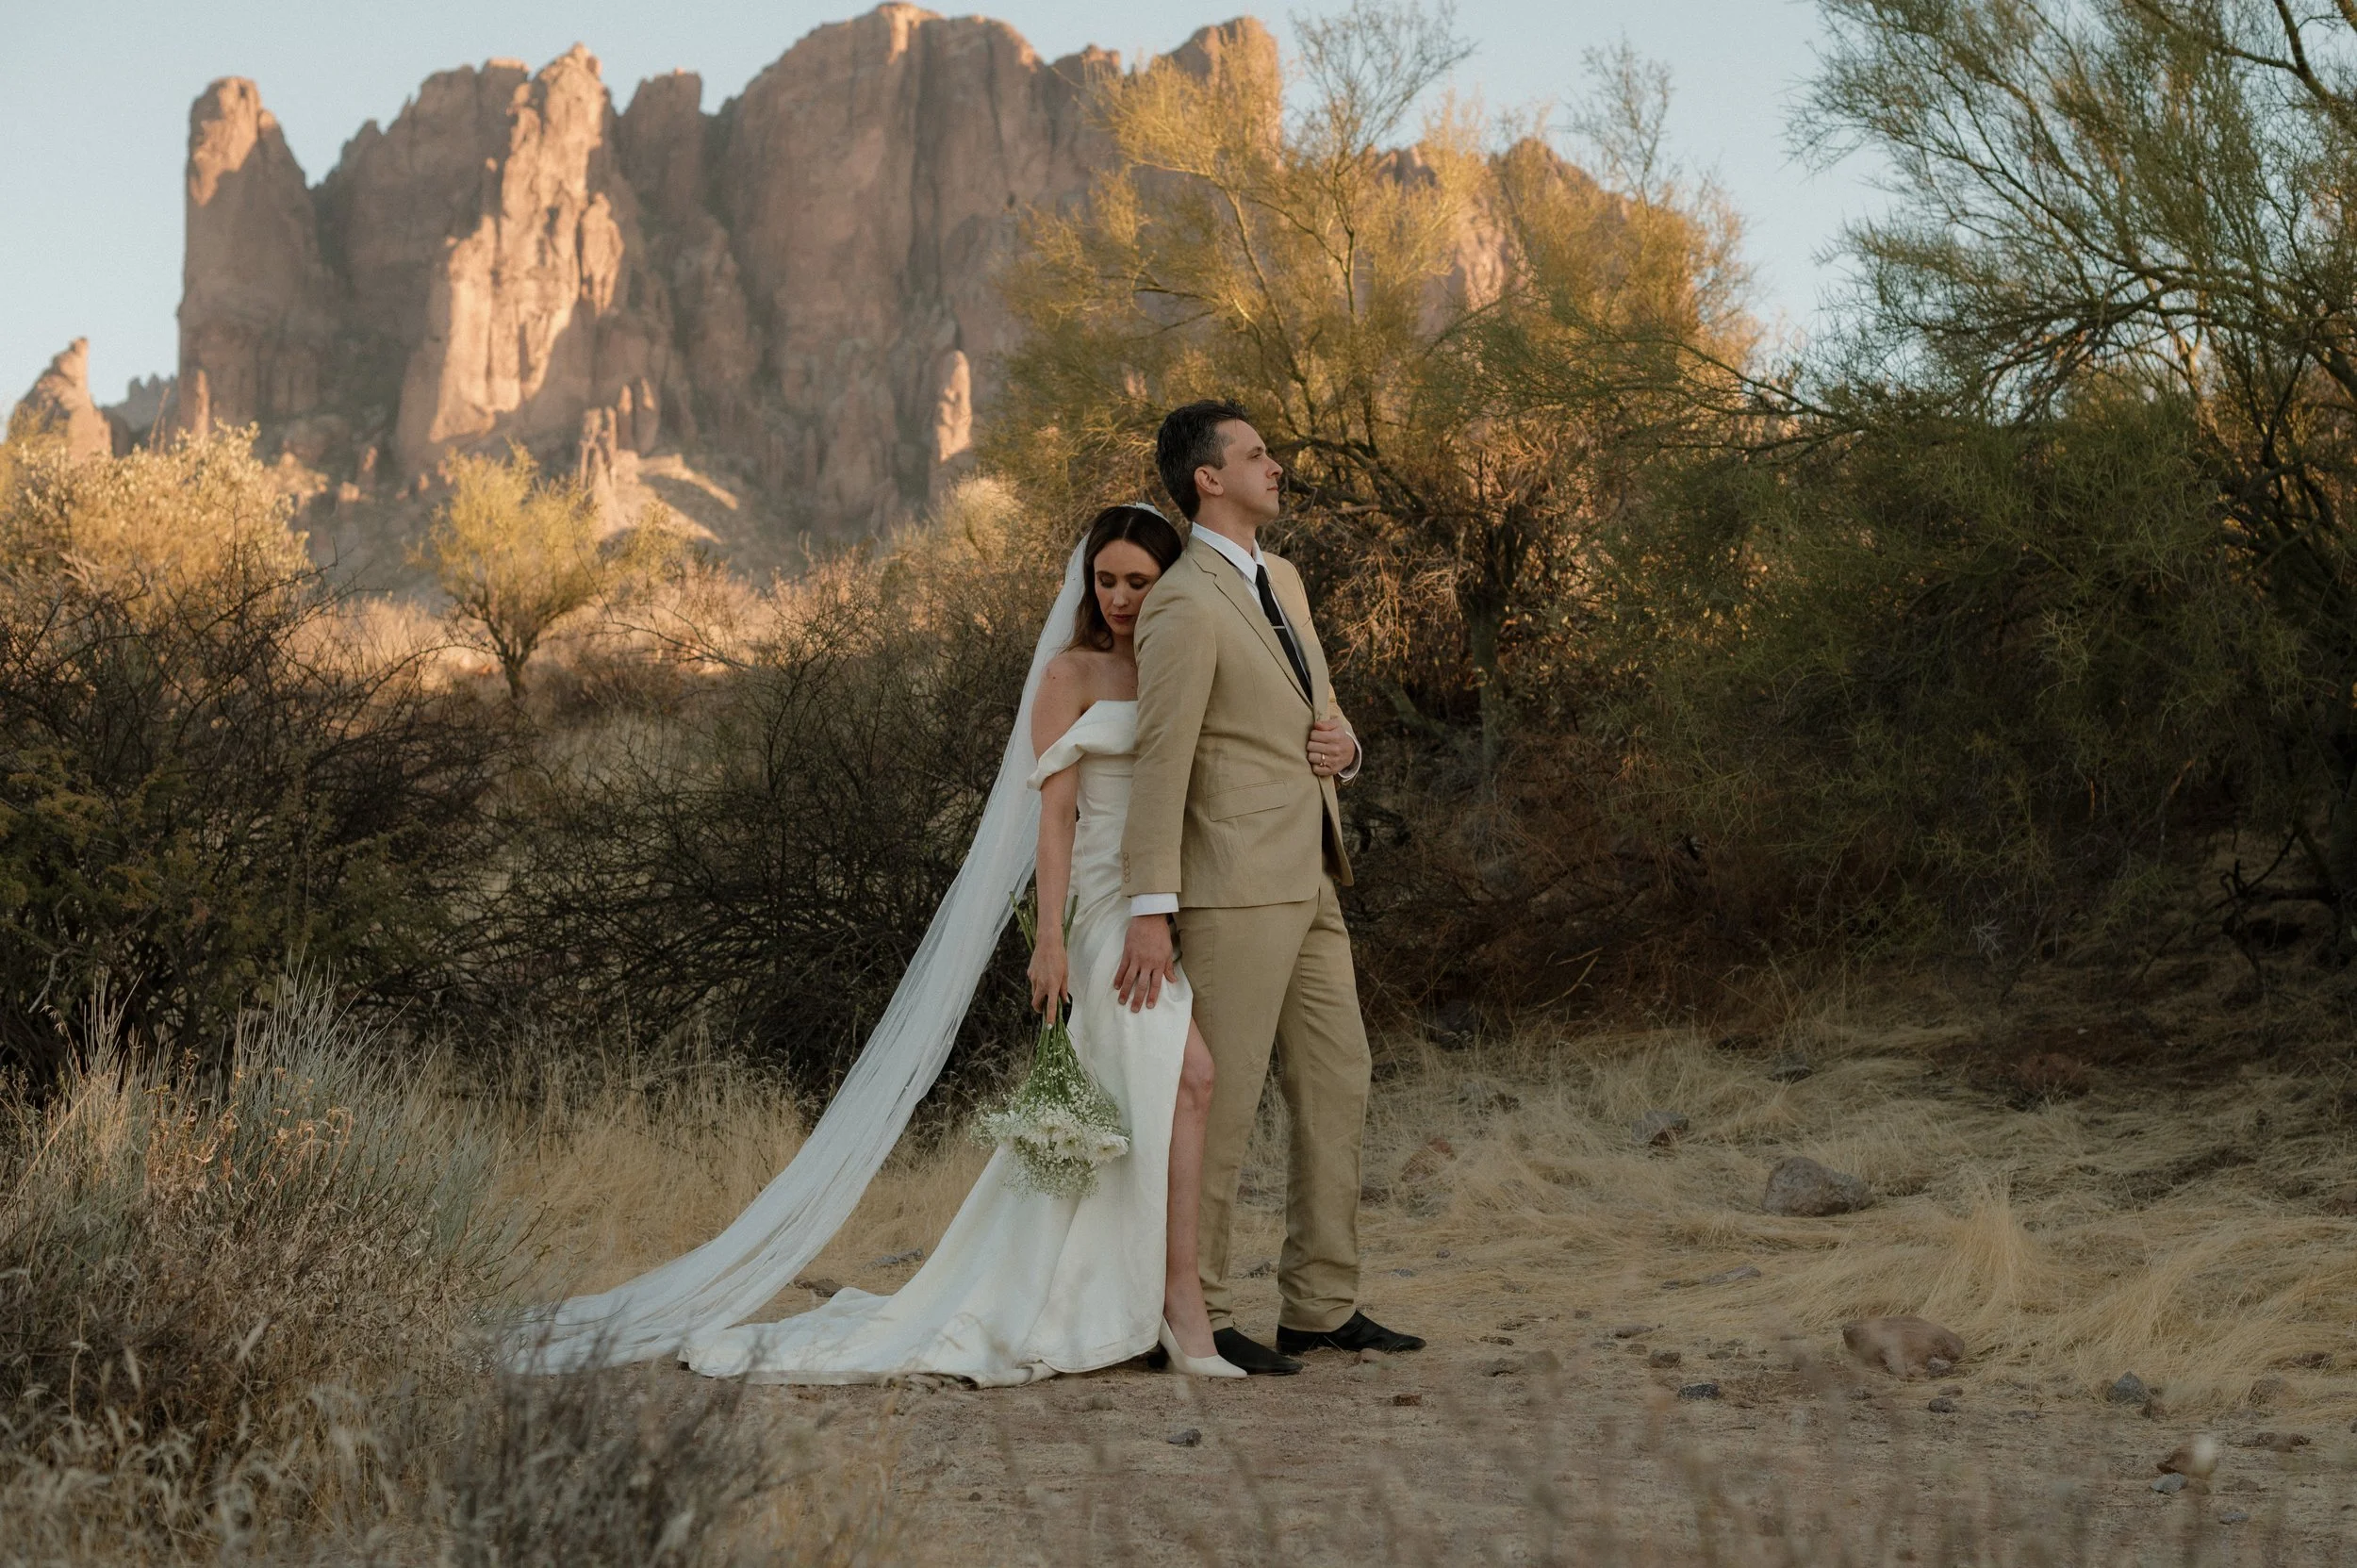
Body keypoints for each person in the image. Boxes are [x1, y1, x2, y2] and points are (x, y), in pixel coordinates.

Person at [674, 503, 1244, 1382]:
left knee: (1152, 1097)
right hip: (1102, 912)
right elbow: (1054, 821)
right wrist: (1049, 941)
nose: (1122, 597)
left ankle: (1127, 1294)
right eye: (1107, 580)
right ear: (1087, 583)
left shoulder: (1179, 664)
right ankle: (1179, 1305)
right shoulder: (1070, 673)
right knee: (1192, 1078)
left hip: (1162, 904)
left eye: (1140, 581)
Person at [1115, 400, 1425, 1375]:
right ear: (1207, 478)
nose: (1275, 465)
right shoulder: (1179, 600)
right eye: (1256, 454)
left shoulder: (1281, 578)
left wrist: (1349, 747)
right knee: (1227, 1096)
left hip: (1314, 871)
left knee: (1340, 1078)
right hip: (1233, 884)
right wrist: (1151, 909)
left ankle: (1320, 1304)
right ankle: (1192, 1309)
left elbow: (1316, 716)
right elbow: (1162, 761)